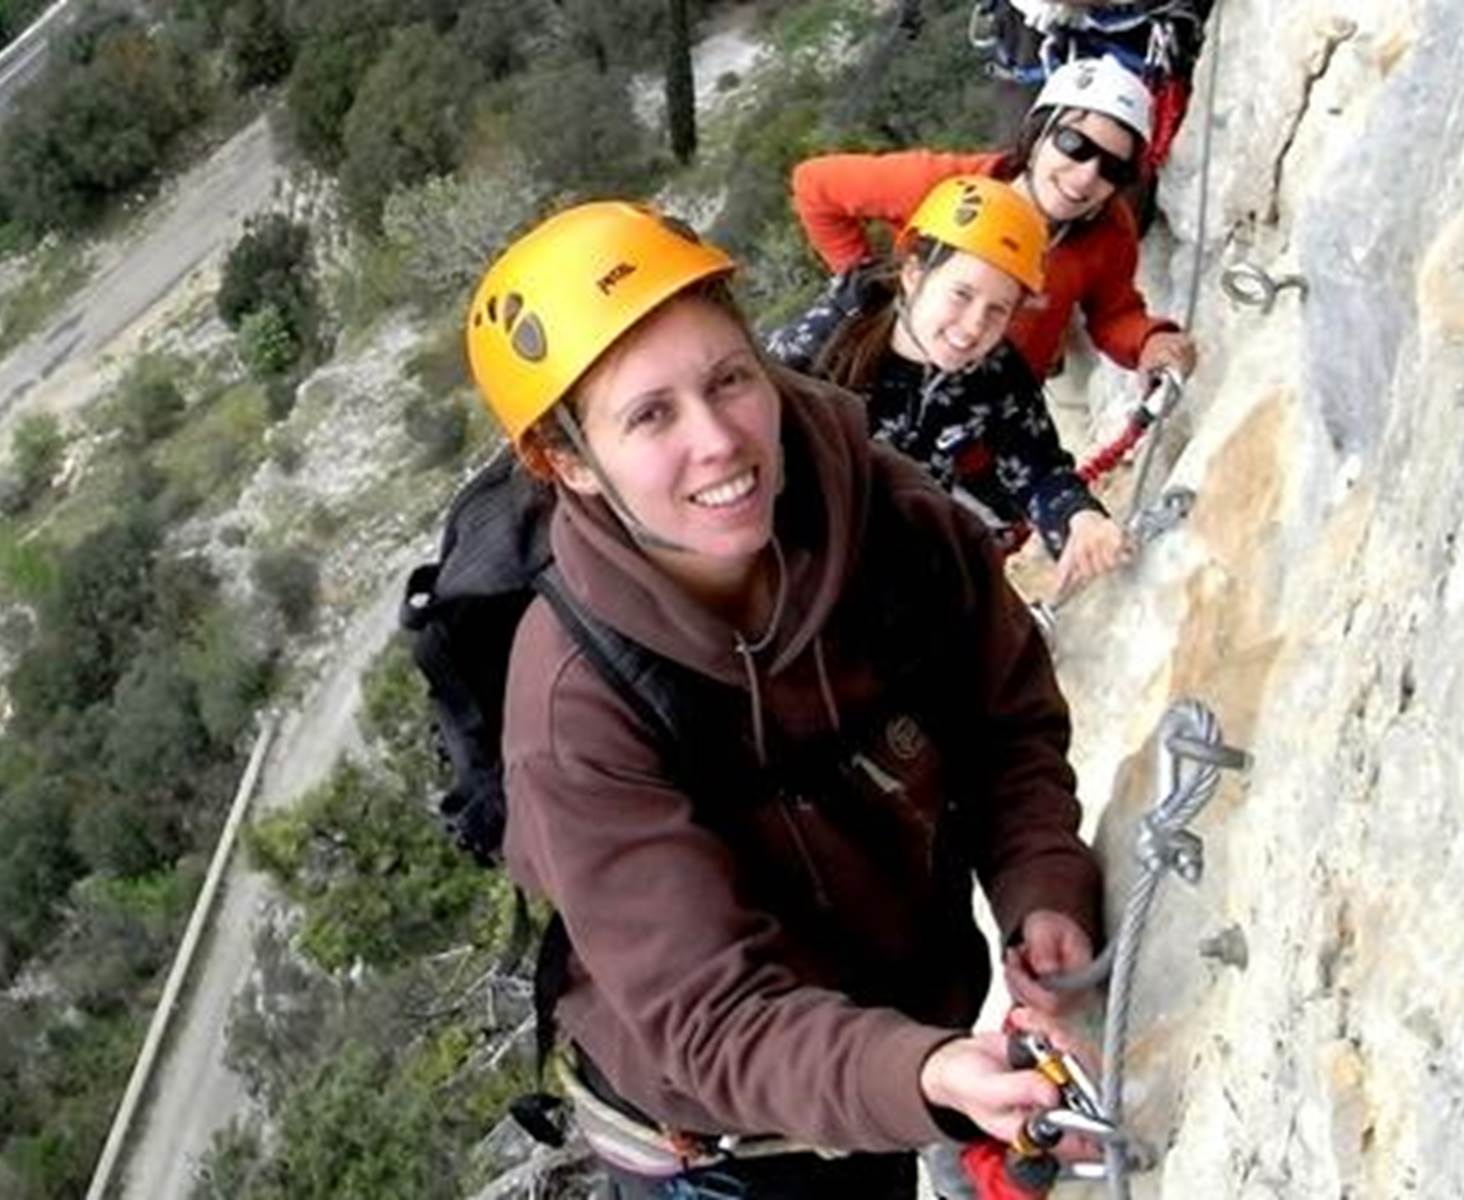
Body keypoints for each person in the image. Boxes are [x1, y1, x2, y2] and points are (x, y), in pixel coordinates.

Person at [466, 200, 1102, 1197]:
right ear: (569, 465)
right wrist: (923, 1071)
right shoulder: (576, 705)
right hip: (720, 1149)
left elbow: (1004, 722)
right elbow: (707, 1017)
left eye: (729, 378)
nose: (719, 440)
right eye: (649, 415)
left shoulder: (886, 516)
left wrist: (1041, 889)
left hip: (891, 1072)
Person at [768, 175, 1128, 596]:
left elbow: (1036, 466)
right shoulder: (821, 346)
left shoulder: (992, 372)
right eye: (961, 294)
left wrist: (1077, 517)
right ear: (914, 275)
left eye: (997, 310)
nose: (974, 326)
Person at [790, 55, 1197, 385]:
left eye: (1115, 169)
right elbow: (815, 186)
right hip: (890, 372)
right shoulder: (944, 186)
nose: (1088, 174)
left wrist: (1149, 342)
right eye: (1074, 145)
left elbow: (1114, 313)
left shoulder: (1105, 230)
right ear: (1037, 136)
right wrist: (868, 283)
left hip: (994, 415)